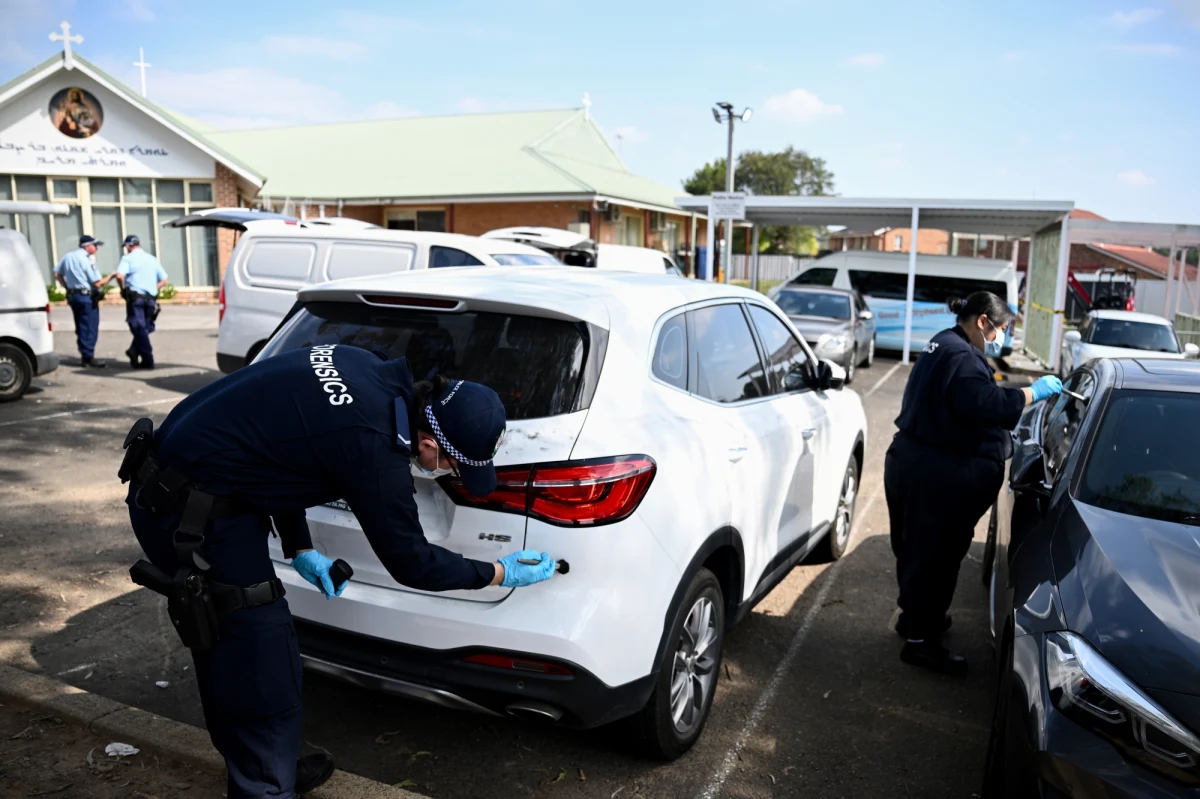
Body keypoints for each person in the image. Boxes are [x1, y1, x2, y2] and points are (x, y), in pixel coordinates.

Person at [121, 344, 557, 798]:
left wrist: (300, 545)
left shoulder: (364, 366)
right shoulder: (372, 443)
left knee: (234, 640)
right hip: (185, 512)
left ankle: (264, 768)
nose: (450, 475)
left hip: (195, 483)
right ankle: (265, 786)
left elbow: (280, 453)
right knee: (259, 655)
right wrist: (497, 572)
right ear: (429, 443)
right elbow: (411, 562)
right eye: (452, 466)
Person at [884, 291, 1062, 676]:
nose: (1002, 337)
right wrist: (1034, 392)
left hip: (917, 464)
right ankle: (920, 643)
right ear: (982, 322)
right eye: (1000, 328)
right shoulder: (962, 357)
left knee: (917, 550)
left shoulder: (945, 344)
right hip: (934, 474)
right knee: (935, 557)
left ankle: (916, 618)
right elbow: (990, 406)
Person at [54, 234, 114, 368]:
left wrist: (67, 287)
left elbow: (57, 274)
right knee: (89, 326)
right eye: (95, 245)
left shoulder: (68, 256)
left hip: (74, 296)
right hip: (86, 297)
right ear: (87, 246)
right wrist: (111, 276)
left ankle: (84, 354)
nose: (97, 248)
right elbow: (97, 283)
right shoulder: (87, 260)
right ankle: (88, 357)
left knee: (81, 326)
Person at [113, 235, 168, 369]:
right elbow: (164, 279)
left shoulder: (127, 258)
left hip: (135, 297)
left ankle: (147, 359)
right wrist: (152, 288)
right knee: (146, 327)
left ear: (128, 246)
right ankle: (134, 350)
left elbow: (119, 275)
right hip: (150, 298)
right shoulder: (152, 258)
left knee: (139, 328)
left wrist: (122, 289)